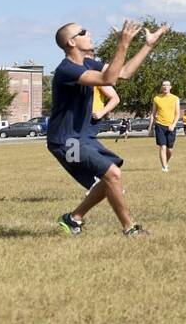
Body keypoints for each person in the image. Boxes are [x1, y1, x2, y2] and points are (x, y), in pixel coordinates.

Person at [48, 19, 168, 237]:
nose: (89, 32)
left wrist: (148, 45)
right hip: (68, 140)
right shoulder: (66, 70)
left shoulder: (88, 63)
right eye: (83, 31)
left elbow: (122, 74)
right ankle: (129, 228)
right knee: (112, 174)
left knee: (110, 177)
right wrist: (123, 43)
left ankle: (74, 218)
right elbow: (108, 78)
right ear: (71, 42)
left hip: (83, 137)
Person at [148, 80, 181, 172]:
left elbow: (177, 113)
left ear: (170, 87)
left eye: (167, 85)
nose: (165, 87)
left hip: (171, 126)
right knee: (162, 146)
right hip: (159, 125)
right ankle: (164, 167)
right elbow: (153, 114)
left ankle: (165, 163)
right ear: (162, 87)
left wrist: (173, 125)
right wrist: (150, 128)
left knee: (169, 150)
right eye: (163, 85)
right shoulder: (157, 98)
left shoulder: (175, 98)